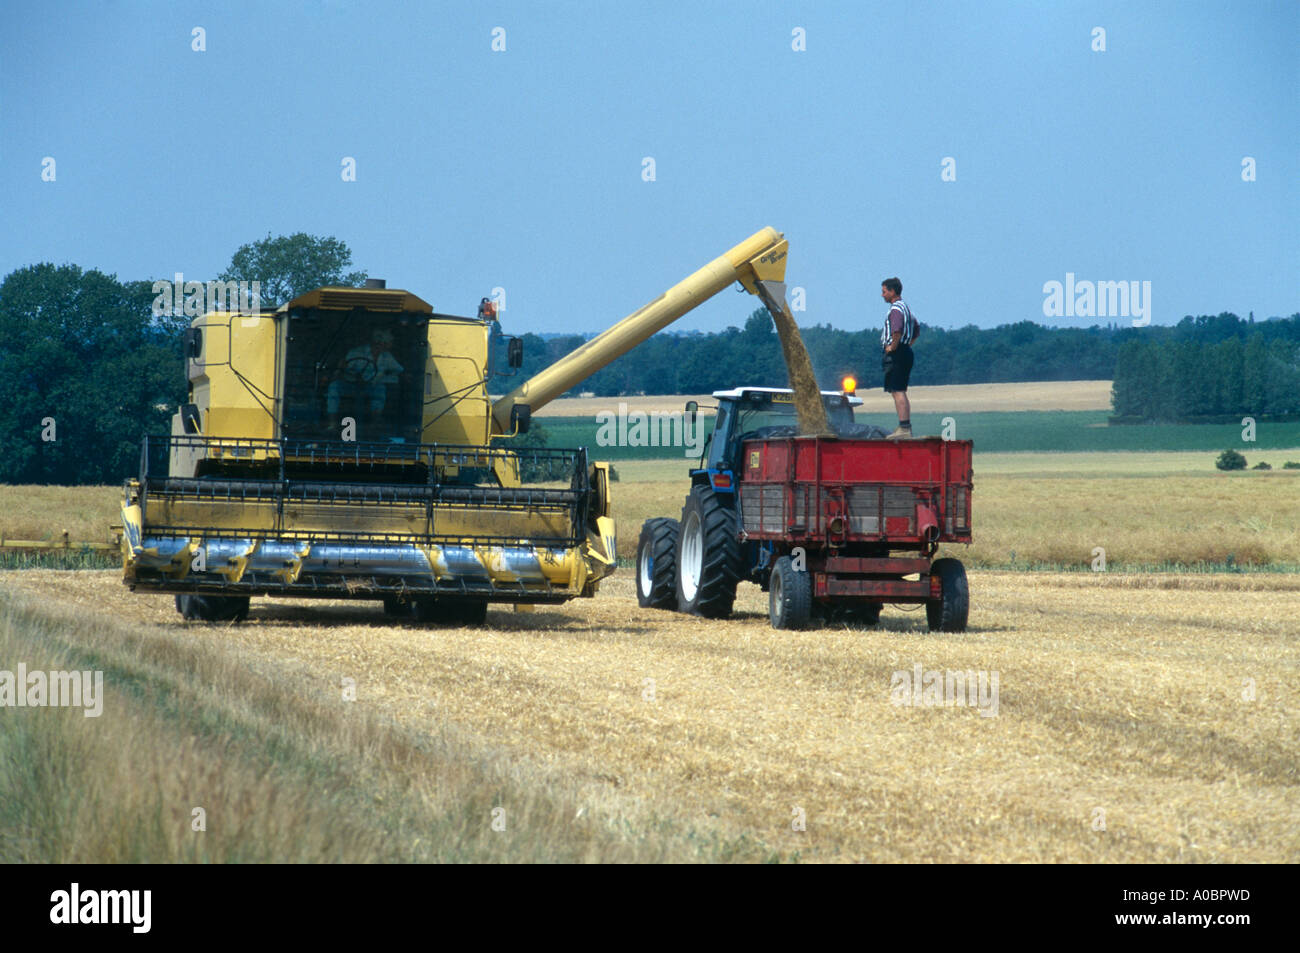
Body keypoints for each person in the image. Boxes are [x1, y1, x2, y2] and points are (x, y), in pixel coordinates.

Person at [326, 328, 405, 425]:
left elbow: (399, 370)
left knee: (380, 389)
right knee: (334, 387)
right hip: (351, 386)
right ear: (381, 343)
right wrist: (354, 377)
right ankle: (332, 423)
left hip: (370, 387)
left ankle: (375, 422)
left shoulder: (387, 356)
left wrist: (397, 376)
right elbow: (343, 368)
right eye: (389, 342)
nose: (390, 345)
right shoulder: (356, 352)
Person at [880, 277, 918, 439]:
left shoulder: (896, 309)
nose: (882, 295)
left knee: (897, 390)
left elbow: (897, 330)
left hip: (897, 353)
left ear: (892, 291)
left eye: (884, 291)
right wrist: (908, 344)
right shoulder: (907, 308)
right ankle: (904, 426)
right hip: (905, 351)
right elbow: (916, 329)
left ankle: (904, 428)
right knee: (899, 389)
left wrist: (893, 347)